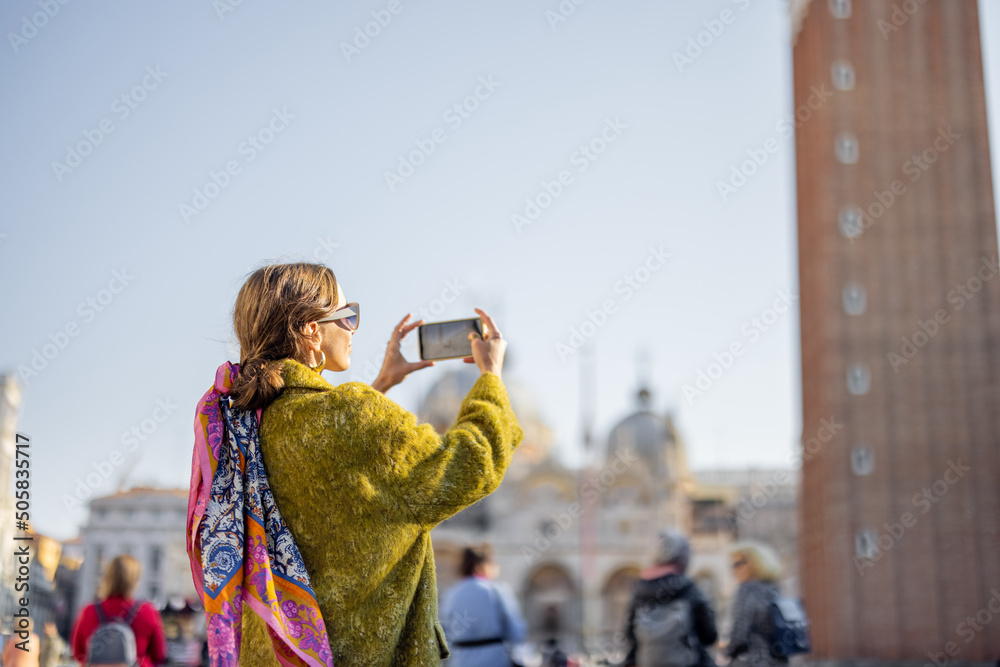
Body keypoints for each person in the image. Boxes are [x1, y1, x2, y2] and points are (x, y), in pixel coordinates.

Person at [187, 263, 523, 666]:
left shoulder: (238, 423)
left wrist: (379, 387)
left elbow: (332, 461)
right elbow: (469, 466)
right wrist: (490, 378)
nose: (353, 329)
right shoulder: (354, 416)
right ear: (312, 329)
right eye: (348, 316)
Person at [623, 530, 718, 667]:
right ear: (683, 555)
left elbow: (629, 634)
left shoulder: (639, 590)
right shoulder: (689, 589)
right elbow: (709, 635)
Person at [70, 554, 167, 667]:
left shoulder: (89, 610)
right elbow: (159, 655)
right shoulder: (147, 611)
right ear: (135, 581)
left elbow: (78, 653)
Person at [441, 545, 527, 667]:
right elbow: (516, 632)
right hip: (494, 660)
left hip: (459, 661)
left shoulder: (450, 595)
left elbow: (444, 634)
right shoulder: (496, 591)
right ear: (480, 566)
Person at [723, 541, 786, 667]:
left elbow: (739, 633)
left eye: (737, 564)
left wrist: (727, 652)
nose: (734, 570)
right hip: (777, 661)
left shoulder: (746, 590)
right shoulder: (773, 590)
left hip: (752, 660)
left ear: (753, 564)